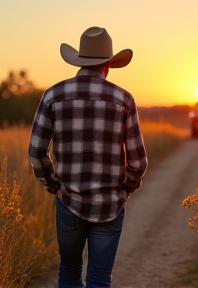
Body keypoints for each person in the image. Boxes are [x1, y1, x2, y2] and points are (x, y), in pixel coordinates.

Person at [28, 26, 148, 288]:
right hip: (110, 204)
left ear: (80, 61)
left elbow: (36, 152)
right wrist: (125, 190)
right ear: (108, 65)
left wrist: (54, 187)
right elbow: (139, 161)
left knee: (69, 272)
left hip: (68, 200)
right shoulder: (124, 99)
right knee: (99, 278)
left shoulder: (53, 95)